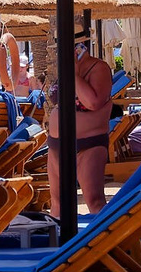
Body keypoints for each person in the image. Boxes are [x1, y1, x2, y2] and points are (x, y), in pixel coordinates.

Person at [47, 25, 114, 218]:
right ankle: (60, 237)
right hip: (58, 144)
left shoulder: (99, 68)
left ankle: (104, 234)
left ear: (81, 46)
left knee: (94, 200)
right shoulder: (64, 69)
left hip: (88, 144)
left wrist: (74, 75)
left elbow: (93, 102)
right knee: (58, 202)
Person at [0, 31, 34, 98]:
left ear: (27, 66)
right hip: (14, 99)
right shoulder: (12, 77)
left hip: (24, 100)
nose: (20, 69)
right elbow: (8, 89)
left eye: (22, 67)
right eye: (19, 67)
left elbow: (35, 92)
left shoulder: (30, 78)